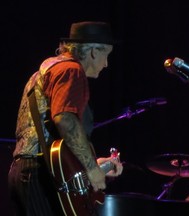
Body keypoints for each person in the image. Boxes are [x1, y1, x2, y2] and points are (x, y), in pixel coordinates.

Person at [8, 21, 123, 216]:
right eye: (106, 56)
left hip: (28, 172)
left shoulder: (46, 70)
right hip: (40, 175)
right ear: (94, 51)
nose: (106, 64)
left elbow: (54, 139)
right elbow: (65, 119)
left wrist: (93, 163)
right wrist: (91, 168)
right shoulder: (71, 70)